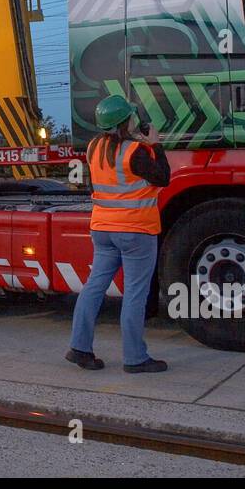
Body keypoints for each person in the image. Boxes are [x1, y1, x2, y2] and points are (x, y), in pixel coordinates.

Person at [66, 95, 171, 374]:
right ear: (127, 121)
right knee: (135, 294)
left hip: (102, 230)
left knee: (93, 287)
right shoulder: (134, 151)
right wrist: (156, 144)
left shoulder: (93, 148)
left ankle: (80, 347)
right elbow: (163, 177)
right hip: (136, 231)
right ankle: (135, 358)